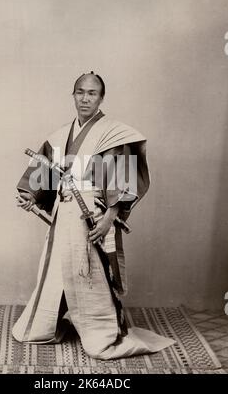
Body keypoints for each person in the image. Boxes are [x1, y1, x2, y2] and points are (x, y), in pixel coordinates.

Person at [12, 72, 175, 359]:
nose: (85, 98)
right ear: (73, 95)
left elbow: (120, 181)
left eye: (92, 93)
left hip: (93, 214)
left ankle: (101, 330)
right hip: (64, 213)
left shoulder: (112, 133)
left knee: (92, 272)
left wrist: (109, 218)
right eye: (80, 92)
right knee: (55, 272)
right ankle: (47, 323)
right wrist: (30, 196)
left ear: (101, 97)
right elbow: (43, 172)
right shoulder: (60, 135)